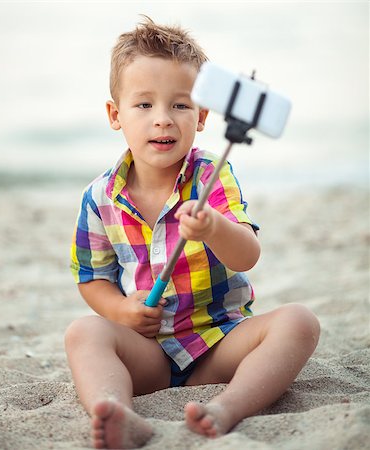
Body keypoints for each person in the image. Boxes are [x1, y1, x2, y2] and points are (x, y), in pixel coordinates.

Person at [65, 16, 320, 449]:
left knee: (300, 322)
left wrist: (213, 227)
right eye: (144, 105)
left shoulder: (210, 176)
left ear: (201, 116)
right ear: (115, 114)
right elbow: (91, 279)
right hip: (151, 356)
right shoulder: (100, 196)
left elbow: (246, 256)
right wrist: (121, 313)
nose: (162, 120)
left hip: (220, 344)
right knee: (82, 333)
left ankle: (227, 408)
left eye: (180, 105)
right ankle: (120, 412)